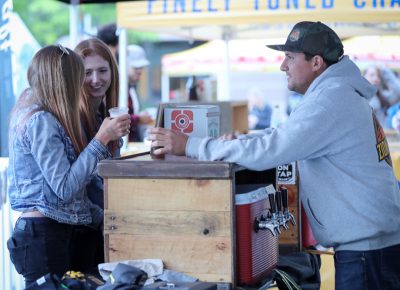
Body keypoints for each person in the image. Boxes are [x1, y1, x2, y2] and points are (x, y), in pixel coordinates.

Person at [148, 21, 400, 289]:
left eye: (290, 58)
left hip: (366, 252)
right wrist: (241, 139)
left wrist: (191, 145)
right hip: (372, 246)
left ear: (316, 63)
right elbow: (283, 134)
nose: (283, 66)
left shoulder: (329, 100)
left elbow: (270, 150)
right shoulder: (336, 93)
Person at [6, 45, 131, 287]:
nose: (85, 83)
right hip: (42, 234)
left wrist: (102, 218)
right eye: (80, 75)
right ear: (65, 80)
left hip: (50, 233)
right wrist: (101, 139)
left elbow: (72, 191)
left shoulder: (43, 114)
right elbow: (64, 188)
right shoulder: (41, 120)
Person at [74, 37, 120, 271]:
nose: (95, 79)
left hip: (104, 226)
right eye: (87, 72)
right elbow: (73, 183)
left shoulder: (103, 117)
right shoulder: (71, 120)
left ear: (112, 72)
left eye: (102, 70)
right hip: (80, 229)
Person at [127, 44, 153, 142]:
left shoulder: (131, 87)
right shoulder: (119, 89)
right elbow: (118, 118)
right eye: (136, 67)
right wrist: (139, 118)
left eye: (141, 67)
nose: (140, 71)